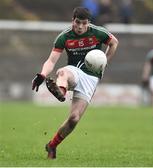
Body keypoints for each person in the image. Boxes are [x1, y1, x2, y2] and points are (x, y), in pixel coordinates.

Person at [32, 7, 119, 159]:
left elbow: (114, 43)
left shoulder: (97, 32)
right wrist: (42, 75)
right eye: (77, 22)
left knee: (74, 119)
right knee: (62, 72)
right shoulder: (64, 37)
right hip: (74, 70)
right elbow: (52, 60)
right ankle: (61, 91)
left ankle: (52, 145)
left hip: (91, 78)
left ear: (88, 23)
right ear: (72, 20)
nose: (79, 26)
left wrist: (104, 63)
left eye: (83, 23)